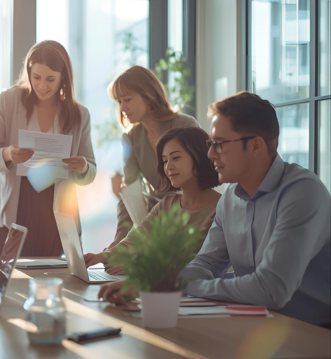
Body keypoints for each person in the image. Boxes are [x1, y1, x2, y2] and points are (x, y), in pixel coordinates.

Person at [99, 91, 331, 327]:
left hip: (309, 332)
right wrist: (149, 285)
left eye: (219, 144)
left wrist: (180, 285)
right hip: (254, 325)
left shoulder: (302, 193)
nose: (210, 154)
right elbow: (205, 264)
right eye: (211, 144)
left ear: (255, 146)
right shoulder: (230, 198)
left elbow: (271, 290)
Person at [0, 40, 96, 257]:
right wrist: (8, 154)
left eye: (50, 79)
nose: (42, 86)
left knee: (46, 278)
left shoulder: (79, 115)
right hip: (9, 203)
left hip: (52, 209)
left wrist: (83, 167)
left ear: (63, 77)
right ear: (29, 73)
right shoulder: (8, 100)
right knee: (1, 281)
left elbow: (90, 172)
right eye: (36, 77)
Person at [85, 126, 221, 274]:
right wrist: (102, 256)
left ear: (200, 156)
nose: (169, 166)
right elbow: (136, 239)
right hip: (162, 289)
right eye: (165, 161)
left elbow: (197, 262)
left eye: (176, 157)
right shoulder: (167, 204)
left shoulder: (221, 208)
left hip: (198, 292)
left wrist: (142, 268)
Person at [107, 65, 200, 248]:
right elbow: (130, 192)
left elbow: (202, 180)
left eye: (127, 99)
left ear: (148, 95)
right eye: (119, 102)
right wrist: (119, 241)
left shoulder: (185, 124)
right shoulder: (131, 138)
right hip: (155, 224)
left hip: (190, 219)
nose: (123, 107)